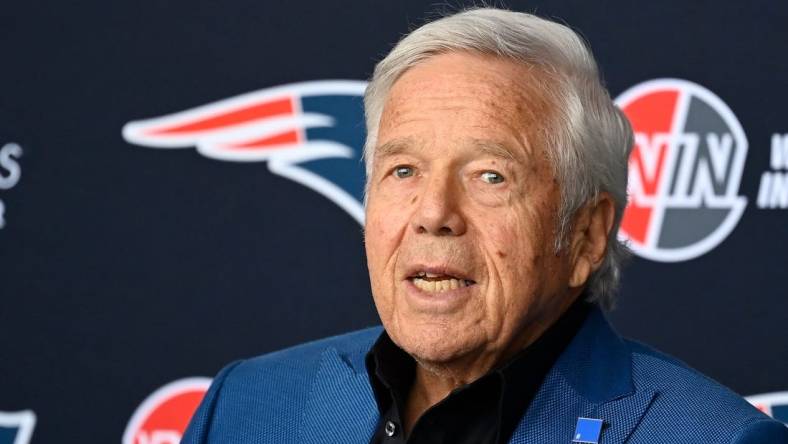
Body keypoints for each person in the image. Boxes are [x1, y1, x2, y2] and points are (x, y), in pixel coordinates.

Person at [182, 8, 788, 444]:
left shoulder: (715, 436)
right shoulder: (247, 405)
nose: (433, 214)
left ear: (586, 234)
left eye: (490, 176)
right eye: (403, 170)